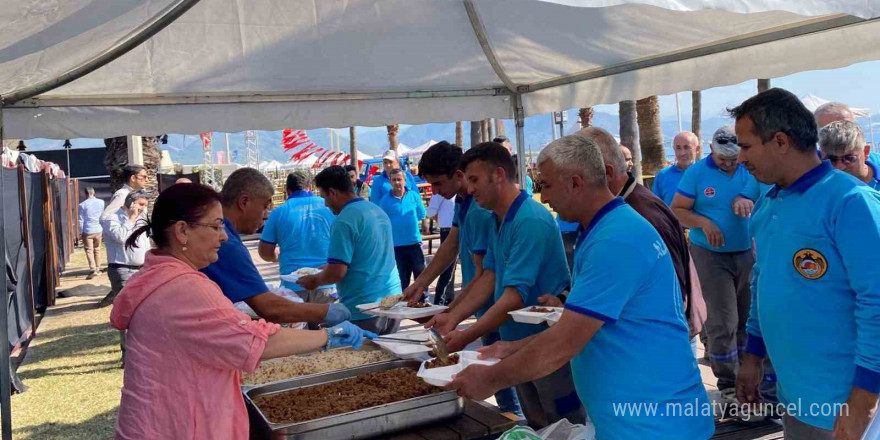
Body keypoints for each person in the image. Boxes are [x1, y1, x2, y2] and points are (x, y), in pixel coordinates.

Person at [450, 134, 714, 440]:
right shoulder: (605, 228)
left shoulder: (614, 239)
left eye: (545, 185)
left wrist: (491, 379)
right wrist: (509, 348)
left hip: (655, 423)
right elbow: (582, 323)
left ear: (576, 183)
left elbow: (564, 343)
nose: (543, 197)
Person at [109, 183, 373, 440]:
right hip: (176, 426)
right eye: (215, 226)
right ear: (182, 231)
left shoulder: (159, 275)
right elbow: (255, 342)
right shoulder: (184, 288)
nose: (223, 236)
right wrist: (329, 335)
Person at [733, 88, 880, 439]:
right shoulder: (768, 205)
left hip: (846, 406)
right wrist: (753, 355)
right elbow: (762, 282)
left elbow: (876, 303)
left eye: (746, 146)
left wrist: (862, 402)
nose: (740, 158)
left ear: (781, 141)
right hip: (795, 398)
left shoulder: (850, 202)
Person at [437, 142, 585, 429]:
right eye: (467, 181)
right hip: (514, 345)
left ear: (500, 175)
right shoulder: (499, 218)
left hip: (546, 347)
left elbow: (514, 296)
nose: (469, 189)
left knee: (565, 427)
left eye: (475, 180)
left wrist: (467, 335)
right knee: (538, 425)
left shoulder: (530, 220)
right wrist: (451, 318)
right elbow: (489, 276)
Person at [541, 127, 700, 343]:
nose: (544, 198)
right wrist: (564, 298)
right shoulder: (609, 214)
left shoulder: (641, 215)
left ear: (604, 173)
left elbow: (673, 295)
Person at [403, 141, 524, 417]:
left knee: (502, 380)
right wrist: (421, 282)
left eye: (437, 184)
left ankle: (515, 425)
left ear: (459, 175)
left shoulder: (481, 209)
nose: (434, 192)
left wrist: (453, 313)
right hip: (479, 303)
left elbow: (485, 275)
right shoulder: (463, 201)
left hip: (493, 304)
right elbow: (451, 243)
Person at [671, 126, 760, 407]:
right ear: (711, 150)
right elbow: (677, 209)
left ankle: (749, 379)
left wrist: (746, 200)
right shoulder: (697, 173)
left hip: (746, 252)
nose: (729, 163)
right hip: (710, 255)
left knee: (748, 320)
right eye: (723, 159)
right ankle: (728, 383)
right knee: (723, 323)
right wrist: (706, 223)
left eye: (734, 159)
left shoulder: (750, 168)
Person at [201, 168, 350, 327]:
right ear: (244, 202)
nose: (266, 214)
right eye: (265, 206)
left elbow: (265, 253)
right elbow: (268, 307)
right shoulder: (228, 245)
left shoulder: (279, 213)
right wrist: (325, 312)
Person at [298, 166, 402, 335]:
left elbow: (337, 273)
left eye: (324, 197)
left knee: (366, 358)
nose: (325, 203)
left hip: (365, 306)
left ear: (333, 193)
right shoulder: (376, 210)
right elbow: (368, 254)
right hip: (392, 300)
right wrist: (329, 265)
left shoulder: (344, 220)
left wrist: (314, 281)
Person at [258, 170, 336, 306]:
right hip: (327, 281)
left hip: (293, 285)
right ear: (310, 187)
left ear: (287, 190)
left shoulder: (279, 212)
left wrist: (275, 257)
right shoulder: (329, 207)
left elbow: (265, 252)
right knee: (328, 326)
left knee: (297, 327)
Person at [97, 190, 151, 308]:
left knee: (144, 306)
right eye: (141, 204)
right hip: (124, 270)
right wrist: (131, 219)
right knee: (128, 307)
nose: (143, 208)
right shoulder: (112, 219)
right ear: (131, 203)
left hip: (143, 268)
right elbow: (121, 238)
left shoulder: (141, 218)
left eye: (145, 205)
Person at [378, 168, 426, 291]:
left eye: (399, 179)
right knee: (401, 280)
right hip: (396, 246)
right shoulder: (385, 200)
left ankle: (423, 302)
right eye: (394, 180)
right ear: (390, 182)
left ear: (404, 180)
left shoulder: (414, 196)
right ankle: (402, 305)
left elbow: (421, 214)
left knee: (421, 276)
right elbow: (382, 223)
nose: (397, 182)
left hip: (415, 243)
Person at [819, 120, 880, 190]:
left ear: (865, 152)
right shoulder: (819, 188)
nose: (839, 167)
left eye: (848, 158)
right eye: (831, 159)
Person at [653, 132, 701, 206]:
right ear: (674, 149)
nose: (682, 153)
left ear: (697, 149)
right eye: (678, 148)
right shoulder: (663, 176)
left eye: (686, 147)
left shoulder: (705, 174)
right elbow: (656, 207)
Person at [425, 192, 456, 305]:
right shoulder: (440, 192)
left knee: (454, 268)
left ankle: (449, 298)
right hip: (448, 229)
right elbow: (431, 212)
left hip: (461, 228)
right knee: (447, 268)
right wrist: (443, 220)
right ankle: (440, 300)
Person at [78, 187, 105, 279]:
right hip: (98, 228)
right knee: (97, 249)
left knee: (89, 250)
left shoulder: (82, 205)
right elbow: (102, 215)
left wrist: (81, 232)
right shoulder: (101, 202)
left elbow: (81, 220)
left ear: (86, 194)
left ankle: (92, 268)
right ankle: (98, 268)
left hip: (88, 230)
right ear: (94, 193)